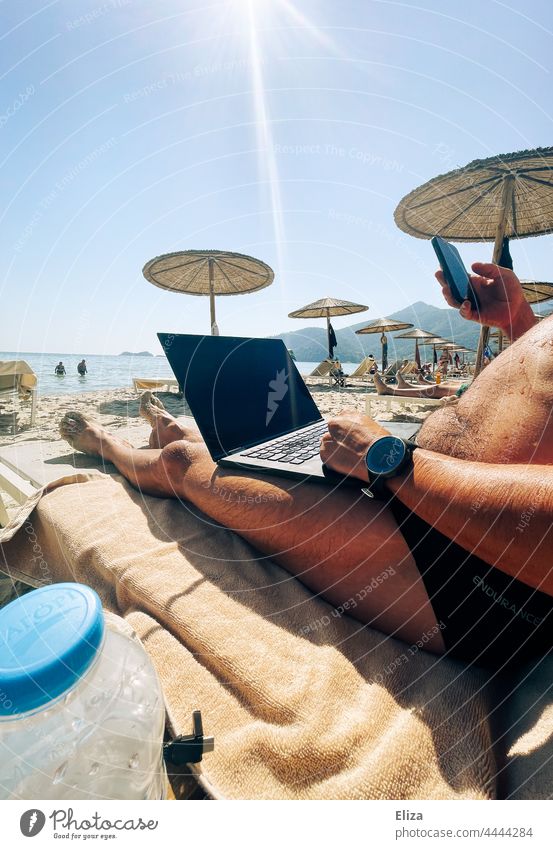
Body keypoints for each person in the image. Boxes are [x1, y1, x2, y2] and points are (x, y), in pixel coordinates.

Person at [59, 262, 553, 670]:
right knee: (249, 441)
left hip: (470, 563)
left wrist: (390, 463)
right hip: (422, 488)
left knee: (182, 461)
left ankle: (108, 446)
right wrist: (518, 323)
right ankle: (180, 428)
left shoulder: (408, 482)